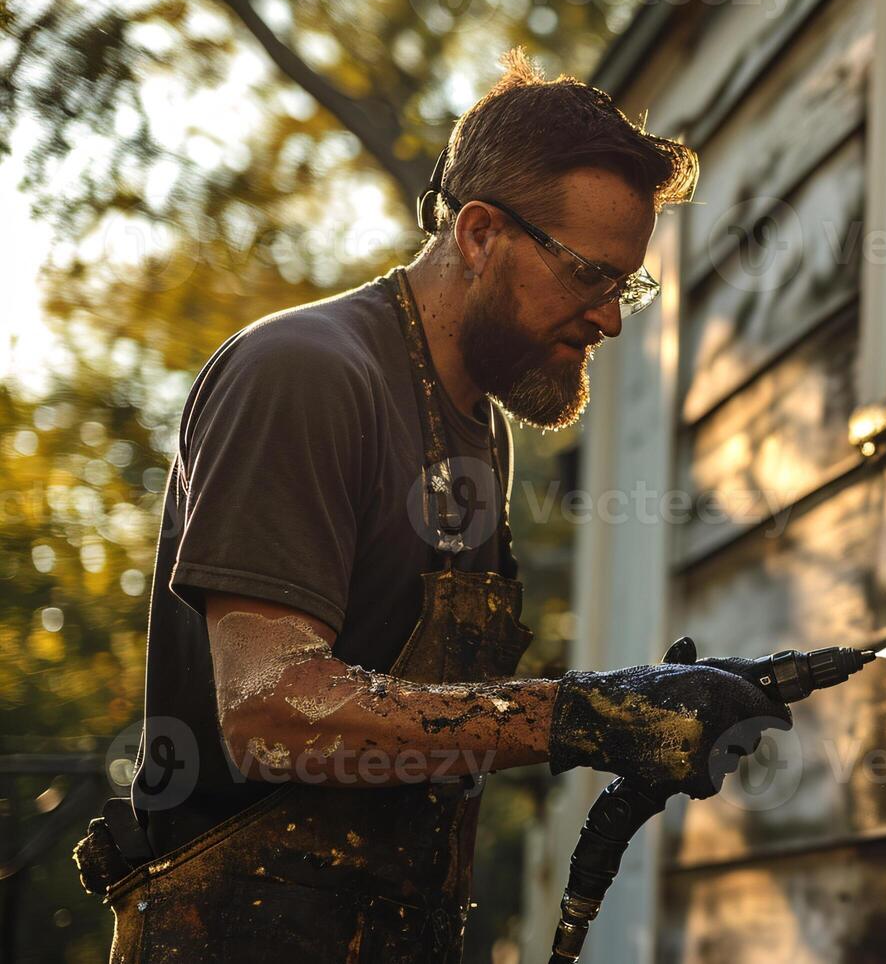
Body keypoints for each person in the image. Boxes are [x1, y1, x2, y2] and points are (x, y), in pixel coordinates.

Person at [70, 51, 790, 962]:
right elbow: (270, 713)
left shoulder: (481, 430)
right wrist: (576, 716)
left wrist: (654, 703)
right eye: (588, 276)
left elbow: (432, 713)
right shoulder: (307, 374)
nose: (611, 319)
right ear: (481, 234)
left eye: (627, 287)